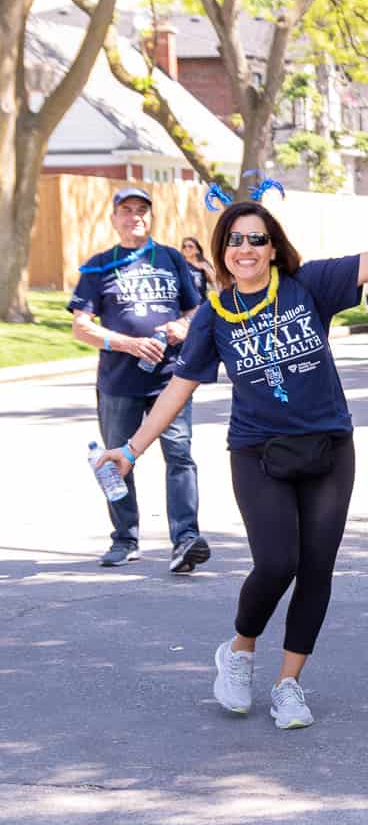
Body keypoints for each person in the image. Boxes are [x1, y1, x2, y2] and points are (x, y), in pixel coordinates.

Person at [92, 190, 368, 729]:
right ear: (223, 251)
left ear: (274, 247)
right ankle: (239, 651)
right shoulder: (213, 317)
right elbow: (179, 387)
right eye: (235, 240)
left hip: (328, 447)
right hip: (258, 452)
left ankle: (289, 684)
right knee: (278, 561)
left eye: (257, 238)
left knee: (316, 568)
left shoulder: (310, 286)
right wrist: (131, 450)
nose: (246, 248)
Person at [69, 187, 210, 573]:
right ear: (114, 218)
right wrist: (129, 344)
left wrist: (183, 327)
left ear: (151, 217)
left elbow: (198, 310)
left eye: (143, 210)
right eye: (127, 210)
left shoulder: (170, 259)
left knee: (179, 454)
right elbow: (81, 327)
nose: (136, 216)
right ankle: (125, 538)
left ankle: (185, 540)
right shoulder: (97, 266)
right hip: (119, 382)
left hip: (171, 378)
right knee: (116, 459)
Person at [180, 236, 216, 301]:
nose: (187, 248)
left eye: (190, 246)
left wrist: (206, 268)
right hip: (185, 304)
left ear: (198, 250)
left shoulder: (204, 264)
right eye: (184, 246)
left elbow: (215, 282)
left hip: (200, 303)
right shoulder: (179, 264)